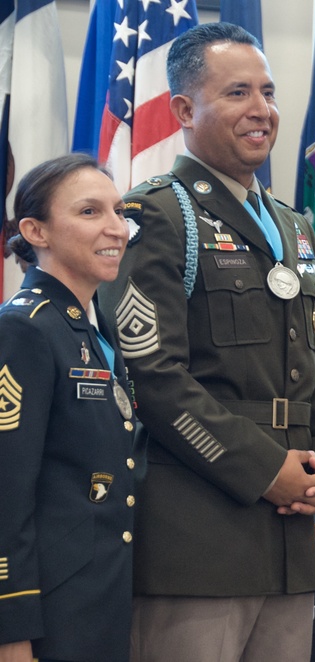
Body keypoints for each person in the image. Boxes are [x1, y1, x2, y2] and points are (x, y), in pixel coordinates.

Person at [98, 23, 315, 661]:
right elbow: (152, 378)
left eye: (267, 92)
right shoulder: (153, 215)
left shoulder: (294, 228)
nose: (262, 110)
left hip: (291, 538)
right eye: (238, 92)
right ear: (184, 110)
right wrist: (267, 471)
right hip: (197, 539)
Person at [0, 154, 134, 661]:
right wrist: (11, 632)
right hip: (47, 619)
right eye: (89, 212)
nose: (116, 228)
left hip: (100, 604)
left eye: (119, 211)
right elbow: (6, 496)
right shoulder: (24, 328)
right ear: (36, 231)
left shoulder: (94, 329)